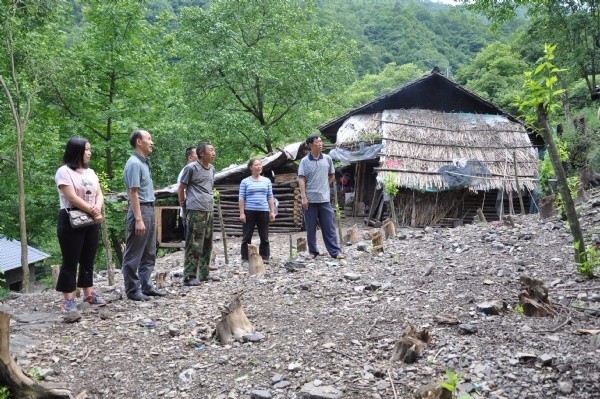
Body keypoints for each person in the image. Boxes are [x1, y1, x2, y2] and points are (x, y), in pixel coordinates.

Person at [55, 137, 106, 312]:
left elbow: (99, 194)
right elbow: (71, 197)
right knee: (70, 260)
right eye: (86, 149)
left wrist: (97, 209)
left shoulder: (90, 172)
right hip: (71, 219)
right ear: (76, 151)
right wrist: (93, 211)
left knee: (88, 259)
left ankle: (88, 293)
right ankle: (68, 299)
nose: (89, 153)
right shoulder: (63, 171)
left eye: (89, 149)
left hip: (91, 220)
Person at [122, 129, 166, 300]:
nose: (152, 142)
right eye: (149, 139)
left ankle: (146, 285)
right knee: (134, 252)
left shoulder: (143, 162)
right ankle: (133, 290)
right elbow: (133, 193)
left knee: (149, 250)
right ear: (139, 142)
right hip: (140, 209)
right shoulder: (133, 163)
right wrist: (139, 219)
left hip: (149, 207)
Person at [298, 133, 345, 260]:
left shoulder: (328, 159)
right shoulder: (304, 161)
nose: (320, 144)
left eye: (321, 141)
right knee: (311, 228)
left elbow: (332, 175)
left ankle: (335, 251)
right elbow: (301, 179)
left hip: (324, 200)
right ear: (310, 145)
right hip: (310, 200)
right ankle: (313, 252)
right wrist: (303, 197)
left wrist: (324, 186)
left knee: (328, 226)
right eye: (317, 142)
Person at [178, 142, 217, 286]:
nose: (214, 152)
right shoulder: (191, 168)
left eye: (214, 150)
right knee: (194, 244)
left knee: (207, 243)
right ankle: (189, 276)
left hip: (208, 209)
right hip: (195, 209)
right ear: (202, 153)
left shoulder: (212, 169)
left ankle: (204, 274)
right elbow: (181, 188)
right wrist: (184, 207)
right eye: (211, 150)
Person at [239, 158, 276, 263]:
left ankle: (264, 256)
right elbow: (241, 198)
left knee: (264, 236)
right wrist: (242, 213)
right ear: (251, 167)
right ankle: (245, 257)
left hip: (263, 210)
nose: (259, 167)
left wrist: (272, 211)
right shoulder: (245, 181)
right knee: (247, 235)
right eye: (256, 165)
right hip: (249, 210)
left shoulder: (267, 181)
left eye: (260, 165)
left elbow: (270, 197)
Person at [177, 147, 198, 239]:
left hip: (195, 211)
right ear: (190, 158)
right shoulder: (186, 171)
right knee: (190, 242)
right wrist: (185, 208)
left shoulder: (196, 170)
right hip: (189, 211)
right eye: (197, 154)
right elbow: (182, 190)